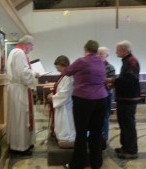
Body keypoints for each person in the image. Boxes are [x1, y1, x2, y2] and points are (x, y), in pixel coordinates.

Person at [65, 40, 108, 169]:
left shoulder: (81, 61)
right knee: (96, 133)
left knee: (82, 133)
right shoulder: (101, 62)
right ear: (96, 51)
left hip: (84, 100)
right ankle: (96, 163)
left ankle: (77, 164)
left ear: (85, 49)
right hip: (101, 99)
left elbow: (67, 71)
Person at [6, 35, 39, 156]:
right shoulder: (19, 53)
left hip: (16, 88)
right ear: (27, 43)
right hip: (19, 89)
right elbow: (23, 73)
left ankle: (19, 143)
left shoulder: (14, 51)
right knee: (21, 117)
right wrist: (34, 74)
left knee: (17, 117)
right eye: (32, 45)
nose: (32, 48)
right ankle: (20, 146)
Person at [113, 40, 140, 159]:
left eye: (117, 50)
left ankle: (131, 151)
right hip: (124, 98)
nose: (115, 52)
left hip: (129, 98)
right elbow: (125, 78)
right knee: (123, 124)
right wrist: (115, 82)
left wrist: (113, 81)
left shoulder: (132, 61)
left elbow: (130, 80)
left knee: (128, 124)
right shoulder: (127, 60)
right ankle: (125, 147)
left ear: (124, 50)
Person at [47, 55, 76, 148]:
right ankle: (61, 136)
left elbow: (66, 93)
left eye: (59, 68)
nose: (58, 71)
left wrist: (53, 97)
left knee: (66, 123)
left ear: (65, 66)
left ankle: (67, 138)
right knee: (61, 122)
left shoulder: (69, 76)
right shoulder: (64, 75)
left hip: (66, 105)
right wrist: (53, 95)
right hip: (62, 104)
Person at [97, 47, 116, 150]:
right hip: (95, 96)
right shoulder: (94, 66)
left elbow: (111, 84)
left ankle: (104, 139)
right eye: (98, 54)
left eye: (101, 54)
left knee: (104, 117)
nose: (99, 56)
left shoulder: (110, 67)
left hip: (106, 95)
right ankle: (95, 138)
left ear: (106, 56)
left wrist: (101, 81)